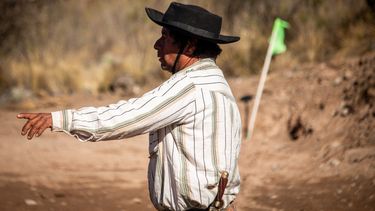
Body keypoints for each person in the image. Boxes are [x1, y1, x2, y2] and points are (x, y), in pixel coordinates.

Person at [17, 2, 242, 211]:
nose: (157, 45)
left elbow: (127, 117)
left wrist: (60, 119)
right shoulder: (216, 82)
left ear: (190, 46)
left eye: (165, 37)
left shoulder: (191, 86)